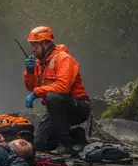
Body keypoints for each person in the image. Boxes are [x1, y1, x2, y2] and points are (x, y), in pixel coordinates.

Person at [22, 25, 92, 154]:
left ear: (46, 43)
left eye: (35, 45)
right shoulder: (40, 63)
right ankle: (76, 135)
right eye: (31, 45)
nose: (32, 49)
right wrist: (29, 72)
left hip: (79, 106)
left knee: (52, 97)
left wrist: (36, 93)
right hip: (56, 109)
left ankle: (65, 144)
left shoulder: (63, 58)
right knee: (39, 145)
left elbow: (63, 87)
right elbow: (31, 87)